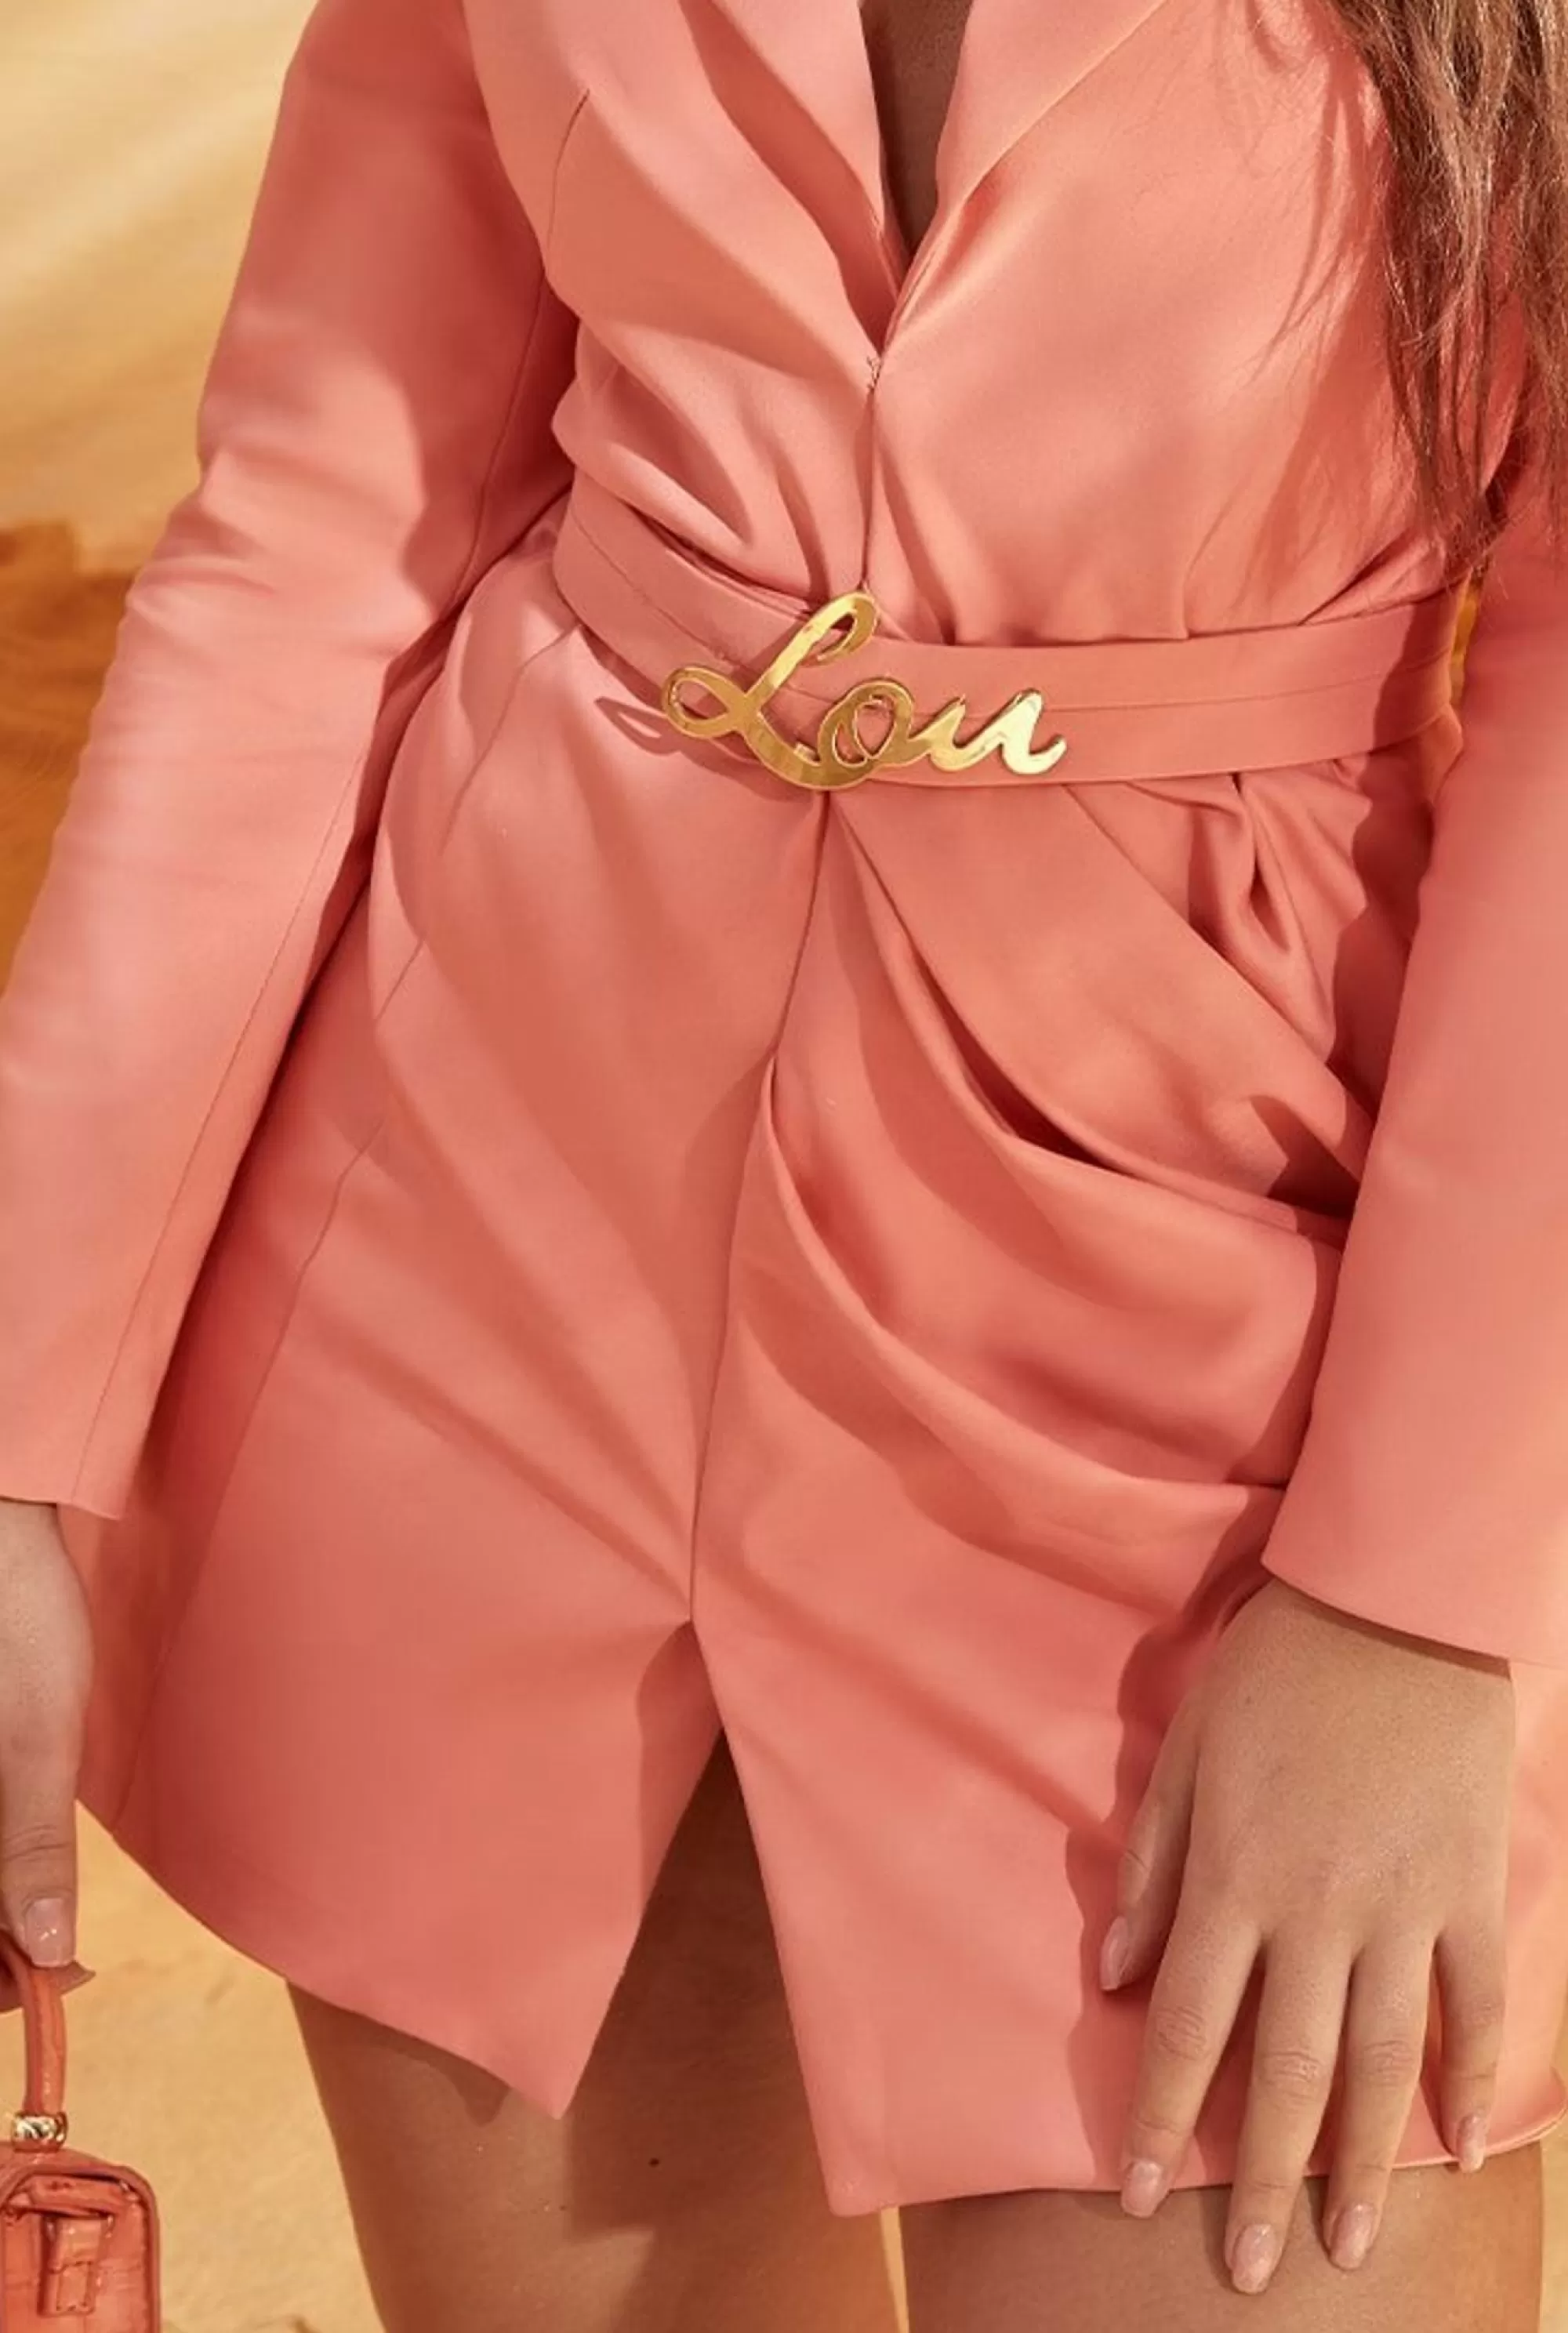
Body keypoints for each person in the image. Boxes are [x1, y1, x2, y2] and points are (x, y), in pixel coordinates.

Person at [2, 0, 1568, 2321]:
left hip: (1225, 1362)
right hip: (462, 1297)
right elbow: (319, 541)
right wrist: (17, 1426)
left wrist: (1417, 1598)